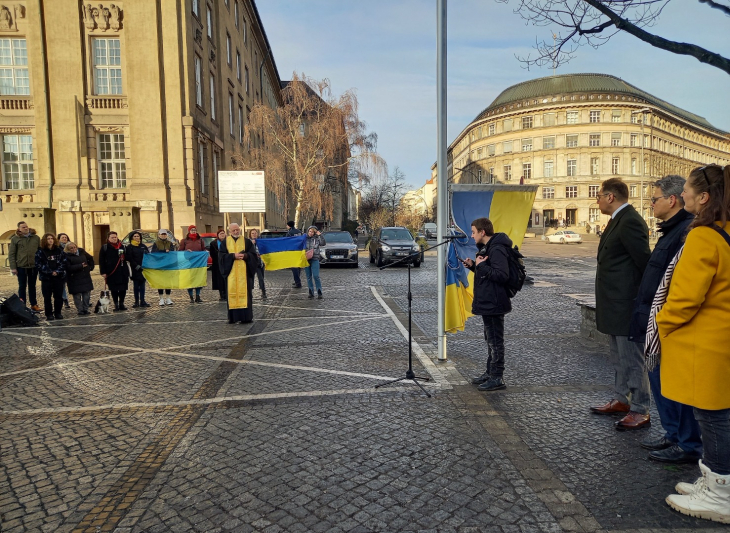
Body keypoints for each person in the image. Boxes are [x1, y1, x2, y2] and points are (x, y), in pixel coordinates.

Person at [657, 164, 730, 523]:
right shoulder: (725, 231)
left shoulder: (703, 236)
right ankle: (715, 482)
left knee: (713, 419)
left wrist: (662, 324)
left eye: (687, 188)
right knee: (719, 416)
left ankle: (720, 494)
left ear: (703, 197)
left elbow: (685, 298)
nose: (682, 193)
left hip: (704, 345)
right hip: (721, 341)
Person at [628, 176, 700, 464]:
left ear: (672, 200)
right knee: (660, 382)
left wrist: (665, 321)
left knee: (673, 386)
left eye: (655, 198)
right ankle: (673, 434)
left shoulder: (685, 231)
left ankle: (687, 443)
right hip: (654, 321)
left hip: (666, 325)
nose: (651, 203)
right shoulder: (671, 230)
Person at [590, 178, 651, 430]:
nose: (597, 201)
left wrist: (640, 300)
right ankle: (621, 399)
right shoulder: (618, 219)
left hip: (626, 303)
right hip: (614, 303)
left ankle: (640, 408)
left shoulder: (630, 221)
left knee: (631, 358)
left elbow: (644, 262)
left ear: (611, 197)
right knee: (618, 357)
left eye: (599, 196)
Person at [463, 217, 513, 392]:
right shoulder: (488, 247)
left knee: (495, 341)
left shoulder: (497, 249)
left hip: (494, 302)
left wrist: (481, 266)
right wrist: (474, 267)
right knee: (490, 339)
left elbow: (502, 275)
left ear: (482, 232)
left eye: (473, 232)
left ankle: (497, 377)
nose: (472, 235)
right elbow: (487, 272)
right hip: (488, 301)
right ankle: (490, 372)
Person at [218, 223, 257, 324]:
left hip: (244, 274)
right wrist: (232, 256)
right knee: (232, 294)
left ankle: (246, 318)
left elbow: (253, 255)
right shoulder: (225, 242)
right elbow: (221, 257)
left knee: (245, 295)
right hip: (231, 274)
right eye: (233, 230)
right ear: (229, 231)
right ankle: (233, 318)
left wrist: (246, 256)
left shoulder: (246, 241)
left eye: (237, 230)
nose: (236, 232)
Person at [8, 221, 41, 311]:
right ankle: (22, 305)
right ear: (19, 229)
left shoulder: (36, 238)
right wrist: (13, 267)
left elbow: (40, 251)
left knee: (32, 286)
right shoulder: (15, 239)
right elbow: (12, 254)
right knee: (22, 286)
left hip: (33, 266)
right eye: (23, 227)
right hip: (21, 266)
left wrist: (39, 263)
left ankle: (34, 304)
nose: (26, 228)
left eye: (26, 226)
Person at [35, 233, 67, 320]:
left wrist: (57, 271)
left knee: (58, 296)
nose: (50, 240)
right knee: (47, 297)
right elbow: (38, 264)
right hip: (46, 278)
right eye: (48, 239)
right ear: (45, 240)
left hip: (58, 277)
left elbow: (64, 262)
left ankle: (58, 313)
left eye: (52, 238)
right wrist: (50, 272)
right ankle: (49, 314)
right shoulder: (40, 252)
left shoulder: (59, 250)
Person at [98, 231, 130, 311]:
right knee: (114, 289)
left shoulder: (122, 246)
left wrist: (124, 256)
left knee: (123, 289)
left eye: (115, 237)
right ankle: (116, 304)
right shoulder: (105, 247)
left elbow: (128, 257)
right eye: (112, 237)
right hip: (111, 272)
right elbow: (101, 260)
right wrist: (103, 272)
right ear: (108, 238)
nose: (114, 239)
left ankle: (121, 303)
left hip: (122, 271)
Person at [63, 241, 95, 316]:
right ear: (68, 249)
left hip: (85, 276)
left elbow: (90, 258)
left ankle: (86, 309)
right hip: (73, 278)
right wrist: (80, 266)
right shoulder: (66, 256)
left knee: (86, 294)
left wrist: (90, 267)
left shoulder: (82, 252)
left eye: (75, 247)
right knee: (77, 295)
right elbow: (68, 267)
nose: (74, 249)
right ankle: (80, 310)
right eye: (71, 248)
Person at [179, 225, 206, 303]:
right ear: (189, 231)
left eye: (194, 230)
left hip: (198, 263)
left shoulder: (200, 240)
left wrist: (205, 252)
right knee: (190, 280)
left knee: (198, 279)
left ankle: (198, 296)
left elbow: (203, 249)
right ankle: (191, 296)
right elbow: (180, 251)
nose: (193, 231)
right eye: (192, 230)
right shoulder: (184, 241)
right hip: (189, 263)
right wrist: (186, 251)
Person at [125, 231, 151, 308]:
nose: (136, 238)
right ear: (132, 238)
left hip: (143, 268)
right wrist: (136, 266)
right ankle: (136, 301)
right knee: (136, 286)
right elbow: (129, 258)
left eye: (138, 236)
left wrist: (145, 265)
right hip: (135, 269)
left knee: (142, 286)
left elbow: (148, 256)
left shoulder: (143, 246)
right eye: (135, 236)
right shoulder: (129, 247)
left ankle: (142, 301)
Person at [151, 229, 176, 306]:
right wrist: (164, 251)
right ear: (159, 235)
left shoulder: (170, 243)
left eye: (165, 234)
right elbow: (154, 253)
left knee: (168, 282)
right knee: (160, 282)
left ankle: (168, 298)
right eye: (162, 234)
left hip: (168, 265)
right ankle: (161, 298)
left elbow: (172, 252)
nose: (163, 235)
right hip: (160, 265)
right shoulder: (156, 243)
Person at [304, 225, 326, 299]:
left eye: (313, 232)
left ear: (315, 233)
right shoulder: (304, 238)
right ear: (308, 231)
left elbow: (323, 243)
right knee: (308, 276)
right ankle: (311, 292)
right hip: (306, 259)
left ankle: (319, 292)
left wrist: (320, 235)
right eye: (310, 231)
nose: (311, 233)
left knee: (316, 276)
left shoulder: (317, 239)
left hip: (315, 258)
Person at [248, 228, 267, 300]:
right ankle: (250, 293)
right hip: (251, 263)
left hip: (259, 263)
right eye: (252, 233)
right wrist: (251, 244)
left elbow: (265, 250)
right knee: (251, 279)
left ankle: (263, 292)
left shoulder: (260, 241)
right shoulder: (247, 242)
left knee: (261, 278)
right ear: (250, 235)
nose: (254, 234)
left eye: (255, 233)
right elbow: (246, 251)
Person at [210, 229, 227, 301]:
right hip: (217, 264)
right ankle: (221, 294)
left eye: (223, 233)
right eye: (221, 234)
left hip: (226, 263)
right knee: (219, 280)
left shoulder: (228, 242)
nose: (222, 235)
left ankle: (226, 294)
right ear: (218, 235)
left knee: (226, 279)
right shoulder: (213, 243)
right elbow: (212, 254)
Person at [57, 233, 72, 309]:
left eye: (65, 237)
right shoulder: (57, 248)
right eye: (62, 237)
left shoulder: (71, 246)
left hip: (71, 268)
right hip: (62, 269)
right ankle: (65, 299)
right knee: (62, 286)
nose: (64, 238)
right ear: (59, 239)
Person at [286, 220, 303, 288]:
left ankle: (298, 283)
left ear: (289, 226)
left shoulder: (289, 233)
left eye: (287, 225)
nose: (286, 226)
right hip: (300, 251)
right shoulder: (299, 232)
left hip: (293, 251)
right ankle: (297, 280)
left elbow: (287, 242)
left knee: (294, 268)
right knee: (298, 267)